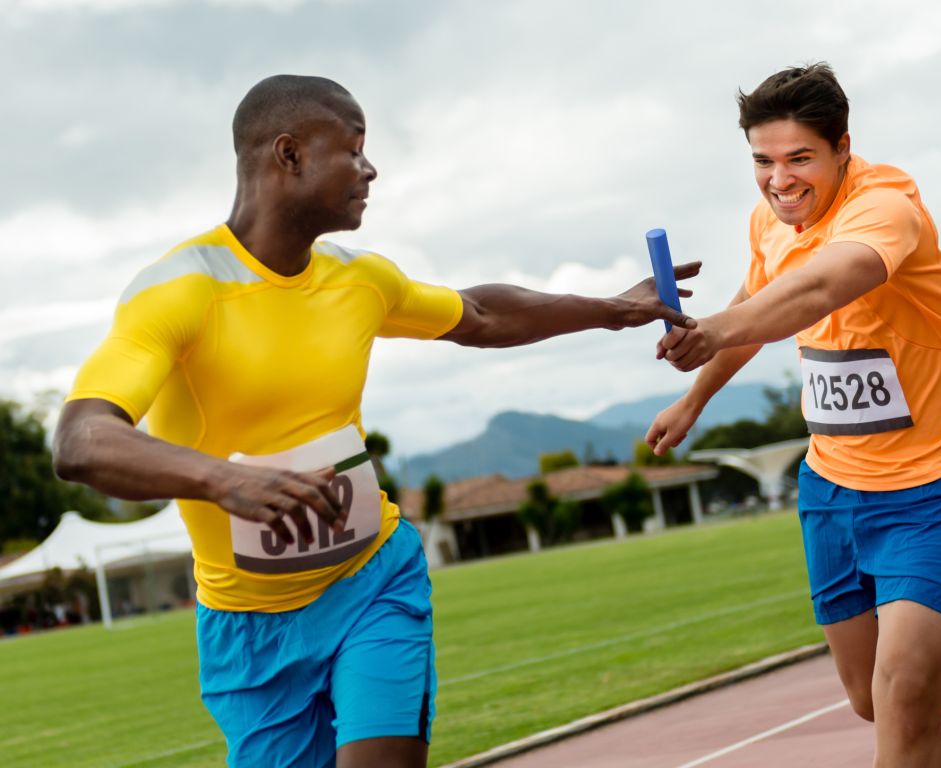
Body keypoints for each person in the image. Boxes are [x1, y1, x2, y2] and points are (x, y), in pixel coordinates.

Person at [53, 74, 699, 768]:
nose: (371, 169)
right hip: (250, 628)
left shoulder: (358, 280)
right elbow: (82, 438)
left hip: (372, 583)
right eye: (354, 149)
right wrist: (218, 481)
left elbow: (479, 315)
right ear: (289, 154)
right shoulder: (179, 291)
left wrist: (609, 309)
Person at [645, 63, 941, 768]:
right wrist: (695, 397)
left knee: (900, 696)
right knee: (873, 697)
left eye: (800, 158)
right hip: (833, 486)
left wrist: (710, 328)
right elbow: (760, 308)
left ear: (843, 146)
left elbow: (822, 284)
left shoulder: (886, 207)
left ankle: (939, 688)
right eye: (763, 161)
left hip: (937, 484)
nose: (780, 180)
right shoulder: (768, 222)